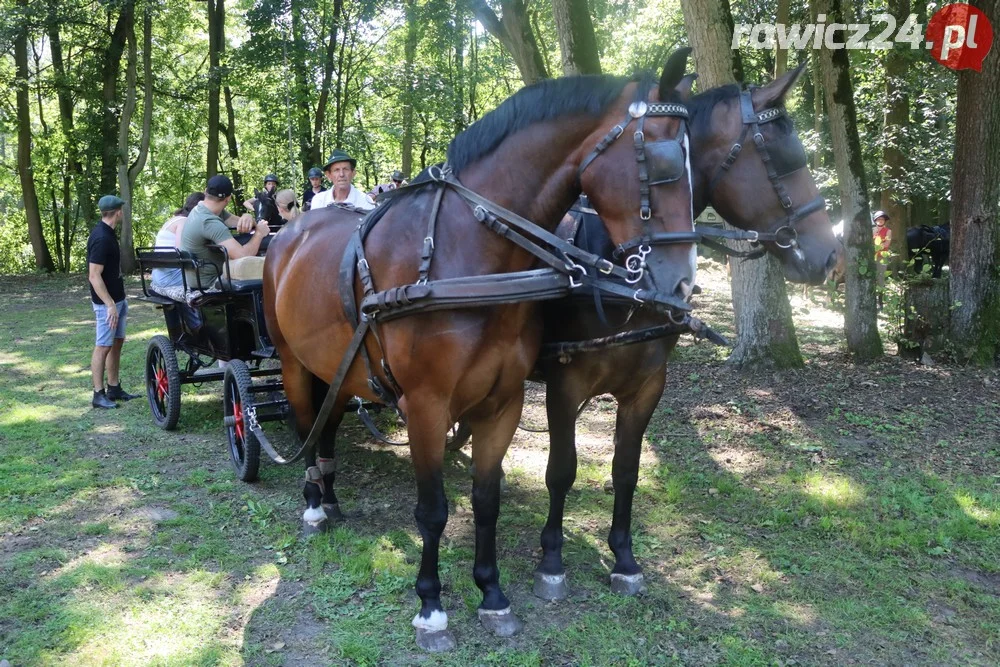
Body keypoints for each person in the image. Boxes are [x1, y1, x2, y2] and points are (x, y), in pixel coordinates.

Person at [87, 195, 141, 409]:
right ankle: (98, 394)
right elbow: (94, 275)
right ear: (118, 212)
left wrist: (117, 302)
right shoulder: (101, 237)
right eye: (122, 210)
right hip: (106, 305)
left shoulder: (108, 234)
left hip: (118, 300)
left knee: (116, 342)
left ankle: (114, 387)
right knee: (103, 346)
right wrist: (109, 304)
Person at [181, 175, 270, 289]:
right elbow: (242, 255)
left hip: (201, 278)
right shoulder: (209, 222)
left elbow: (239, 222)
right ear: (228, 199)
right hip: (210, 282)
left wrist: (247, 217)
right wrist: (259, 234)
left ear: (205, 192)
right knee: (268, 274)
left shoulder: (202, 209)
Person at [309, 150, 375, 211]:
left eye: (345, 169)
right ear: (329, 175)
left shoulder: (365, 202)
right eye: (336, 170)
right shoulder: (319, 201)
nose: (341, 174)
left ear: (353, 173)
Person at [873, 210, 891, 288]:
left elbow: (887, 244)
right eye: (878, 219)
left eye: (882, 219)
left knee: (881, 277)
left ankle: (881, 297)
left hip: (882, 257)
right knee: (872, 277)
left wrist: (876, 246)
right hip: (872, 257)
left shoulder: (888, 231)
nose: (880, 221)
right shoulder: (872, 230)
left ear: (884, 221)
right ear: (875, 220)